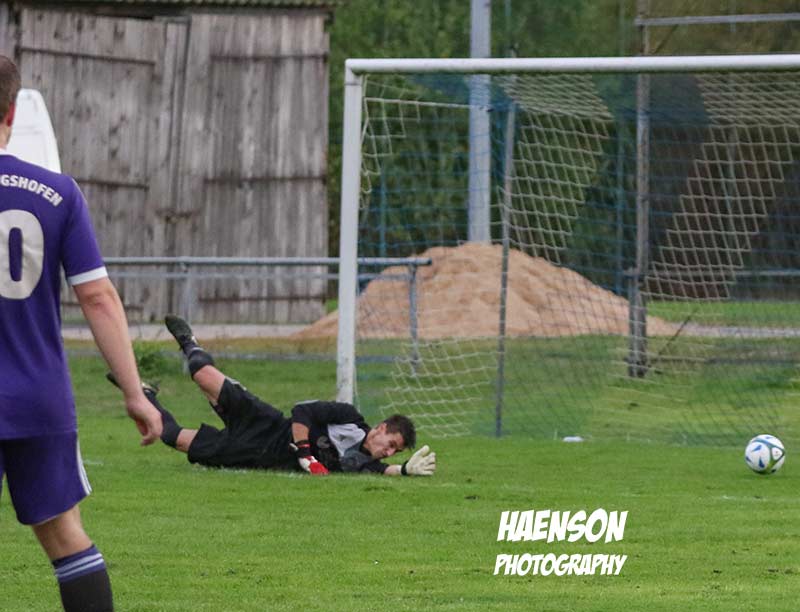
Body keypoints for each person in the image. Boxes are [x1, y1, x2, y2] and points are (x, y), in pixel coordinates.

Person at [0, 55, 162, 612]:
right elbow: (97, 297)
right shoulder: (58, 192)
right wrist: (134, 392)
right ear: (13, 111)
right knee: (64, 533)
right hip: (39, 397)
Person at [113, 314, 436, 477]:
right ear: (380, 428)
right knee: (202, 374)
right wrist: (306, 454)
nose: (388, 452)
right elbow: (302, 412)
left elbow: (384, 473)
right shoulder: (349, 418)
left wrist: (405, 470)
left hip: (250, 454)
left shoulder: (363, 465)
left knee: (172, 437)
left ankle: (143, 393)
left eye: (394, 451)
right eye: (390, 444)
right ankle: (189, 343)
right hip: (264, 423)